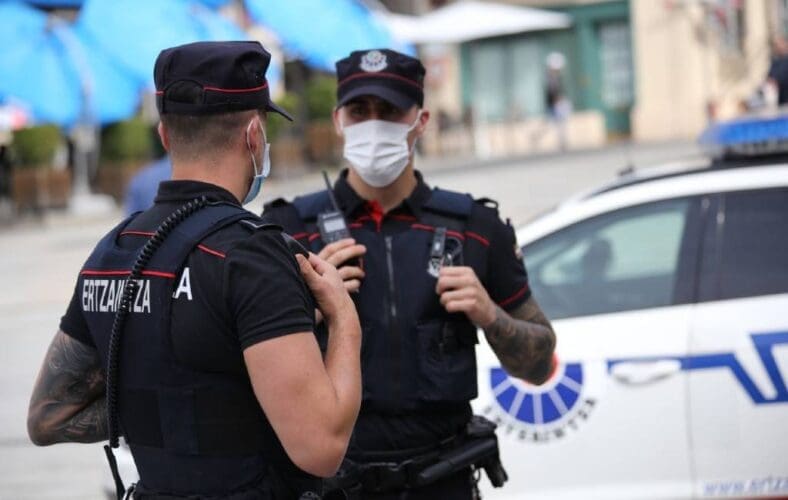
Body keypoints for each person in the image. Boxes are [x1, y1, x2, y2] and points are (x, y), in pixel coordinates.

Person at [27, 41, 362, 500]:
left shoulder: (114, 251)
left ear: (165, 136)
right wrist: (344, 321)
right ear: (253, 135)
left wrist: (174, 404)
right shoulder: (251, 255)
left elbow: (49, 416)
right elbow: (320, 448)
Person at [262, 48, 556, 499]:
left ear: (421, 120)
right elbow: (250, 376)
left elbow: (539, 365)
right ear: (339, 120)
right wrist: (310, 309)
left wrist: (488, 313)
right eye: (360, 110)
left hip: (443, 479)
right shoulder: (290, 230)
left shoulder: (475, 227)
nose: (374, 124)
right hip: (336, 486)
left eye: (391, 110)